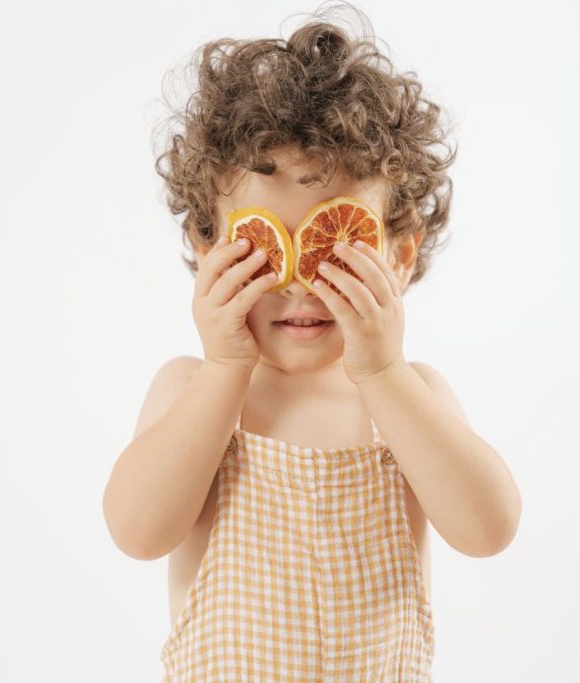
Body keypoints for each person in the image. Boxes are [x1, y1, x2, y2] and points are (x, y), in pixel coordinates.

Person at [102, 3, 522, 681]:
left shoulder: (411, 397)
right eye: (265, 249)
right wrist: (224, 367)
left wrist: (384, 372)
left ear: (400, 255)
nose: (300, 282)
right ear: (207, 245)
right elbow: (136, 531)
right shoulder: (190, 388)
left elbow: (489, 529)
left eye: (338, 244)